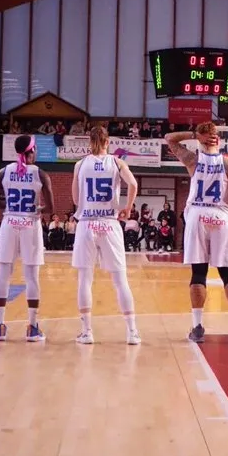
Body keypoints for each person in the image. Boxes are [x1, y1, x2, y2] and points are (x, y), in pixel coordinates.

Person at [166, 122, 228, 344]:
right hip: (221, 215)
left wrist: (194, 134)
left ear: (201, 140)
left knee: (199, 272)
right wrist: (222, 200)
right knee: (227, 272)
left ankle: (197, 326)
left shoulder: (192, 160)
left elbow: (169, 138)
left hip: (198, 215)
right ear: (218, 140)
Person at [72, 126, 140, 345]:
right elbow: (133, 184)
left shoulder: (80, 164)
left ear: (88, 142)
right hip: (110, 224)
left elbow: (75, 198)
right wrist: (128, 208)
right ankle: (132, 332)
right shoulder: (117, 163)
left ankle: (87, 332)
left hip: (87, 224)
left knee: (85, 280)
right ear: (107, 142)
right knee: (120, 280)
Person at [0, 135, 53, 342]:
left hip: (9, 223)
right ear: (31, 151)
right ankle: (32, 327)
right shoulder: (40, 173)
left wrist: (9, 207)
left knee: (3, 274)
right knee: (31, 276)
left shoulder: (3, 172)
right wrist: (38, 208)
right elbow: (51, 208)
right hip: (30, 225)